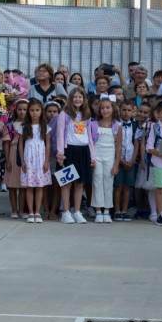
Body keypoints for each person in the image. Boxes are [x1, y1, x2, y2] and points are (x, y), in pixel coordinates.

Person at [56, 87, 95, 224]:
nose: (78, 99)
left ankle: (77, 211)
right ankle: (66, 212)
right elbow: (60, 134)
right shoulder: (64, 114)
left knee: (80, 183)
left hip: (83, 150)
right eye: (75, 97)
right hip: (69, 151)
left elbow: (89, 136)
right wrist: (60, 153)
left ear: (84, 99)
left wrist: (92, 156)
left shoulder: (87, 115)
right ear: (70, 99)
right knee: (67, 183)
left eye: (80, 97)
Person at [18, 98, 52, 223]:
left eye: (37, 110)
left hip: (40, 160)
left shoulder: (45, 127)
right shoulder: (24, 127)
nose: (34, 113)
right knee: (29, 186)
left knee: (39, 186)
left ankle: (37, 212)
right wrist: (22, 161)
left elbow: (48, 145)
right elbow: (20, 145)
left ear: (41, 111)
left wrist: (47, 161)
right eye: (32, 110)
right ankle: (30, 212)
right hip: (29, 160)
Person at [90, 98, 121, 223]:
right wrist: (92, 159)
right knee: (97, 181)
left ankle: (107, 210)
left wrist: (116, 164)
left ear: (113, 109)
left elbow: (118, 147)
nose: (105, 110)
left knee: (108, 182)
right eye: (103, 108)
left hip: (110, 156)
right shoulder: (93, 124)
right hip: (97, 155)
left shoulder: (117, 126)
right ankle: (98, 210)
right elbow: (91, 143)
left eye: (108, 107)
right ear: (99, 110)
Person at [113, 100, 137, 221]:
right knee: (118, 186)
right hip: (118, 160)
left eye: (129, 110)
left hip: (130, 159)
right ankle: (117, 210)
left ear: (133, 112)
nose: (126, 113)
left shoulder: (135, 125)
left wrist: (132, 160)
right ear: (119, 110)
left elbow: (137, 144)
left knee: (127, 186)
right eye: (124, 110)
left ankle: (124, 210)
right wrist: (120, 160)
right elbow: (113, 144)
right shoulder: (116, 125)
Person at [5, 100, 29, 219]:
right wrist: (7, 160)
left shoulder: (31, 125)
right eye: (20, 109)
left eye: (25, 109)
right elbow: (6, 144)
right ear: (16, 110)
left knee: (23, 185)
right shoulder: (10, 125)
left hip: (28, 155)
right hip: (13, 154)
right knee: (12, 184)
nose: (22, 112)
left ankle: (21, 209)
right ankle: (14, 209)